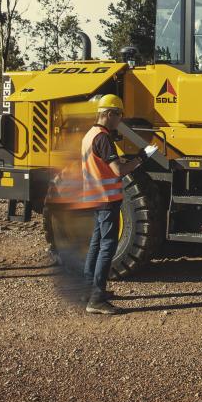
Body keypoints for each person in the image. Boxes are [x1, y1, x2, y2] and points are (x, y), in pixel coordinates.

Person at [79, 94, 158, 314]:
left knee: (97, 243)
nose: (120, 121)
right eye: (118, 115)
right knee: (107, 247)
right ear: (108, 114)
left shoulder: (90, 135)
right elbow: (119, 171)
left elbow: (103, 165)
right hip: (106, 199)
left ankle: (88, 289)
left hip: (94, 196)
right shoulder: (103, 138)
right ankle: (96, 299)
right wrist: (141, 158)